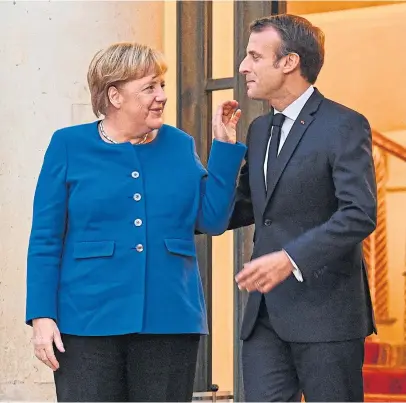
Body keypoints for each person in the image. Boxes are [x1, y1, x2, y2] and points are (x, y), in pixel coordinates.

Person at [25, 42, 246, 402]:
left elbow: (212, 219)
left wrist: (223, 147)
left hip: (169, 317)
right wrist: (42, 315)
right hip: (86, 319)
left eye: (161, 85)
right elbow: (46, 239)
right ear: (114, 95)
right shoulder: (68, 145)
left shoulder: (179, 144)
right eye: (149, 87)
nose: (161, 96)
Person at [229, 14, 377, 402]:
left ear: (289, 62)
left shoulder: (344, 125)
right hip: (263, 319)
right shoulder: (258, 130)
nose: (244, 67)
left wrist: (290, 258)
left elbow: (359, 212)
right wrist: (224, 152)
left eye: (255, 56)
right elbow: (243, 207)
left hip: (327, 314)